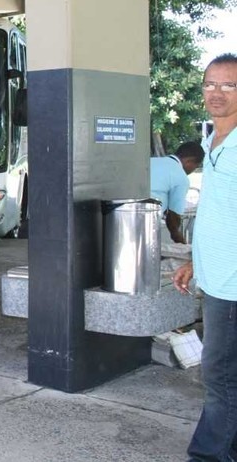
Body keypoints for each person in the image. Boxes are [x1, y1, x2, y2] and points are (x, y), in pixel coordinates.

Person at [174, 53, 237, 461]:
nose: (217, 93)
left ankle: (210, 454)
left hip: (233, 285)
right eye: (210, 84)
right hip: (214, 278)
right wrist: (197, 260)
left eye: (228, 85)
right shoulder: (213, 141)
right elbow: (219, 213)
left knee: (220, 376)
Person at [150, 142, 204, 245]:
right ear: (189, 161)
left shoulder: (152, 161)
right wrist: (180, 241)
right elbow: (173, 216)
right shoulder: (181, 177)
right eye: (195, 167)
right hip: (145, 219)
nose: (193, 170)